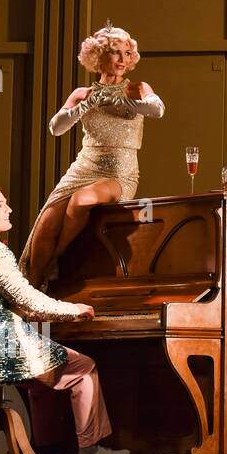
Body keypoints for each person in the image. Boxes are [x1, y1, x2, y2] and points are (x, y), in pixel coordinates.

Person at [0, 185, 129, 454]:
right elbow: (27, 299)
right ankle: (91, 450)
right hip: (4, 346)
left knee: (42, 379)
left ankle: (46, 452)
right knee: (84, 366)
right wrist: (74, 310)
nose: (8, 209)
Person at [19, 22, 164, 287]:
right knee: (45, 226)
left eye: (126, 53)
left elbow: (157, 110)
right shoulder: (83, 93)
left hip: (119, 173)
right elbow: (55, 128)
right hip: (84, 167)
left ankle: (57, 261)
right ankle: (32, 295)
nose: (122, 59)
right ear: (99, 56)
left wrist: (124, 102)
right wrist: (83, 106)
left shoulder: (137, 88)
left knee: (82, 200)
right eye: (115, 52)